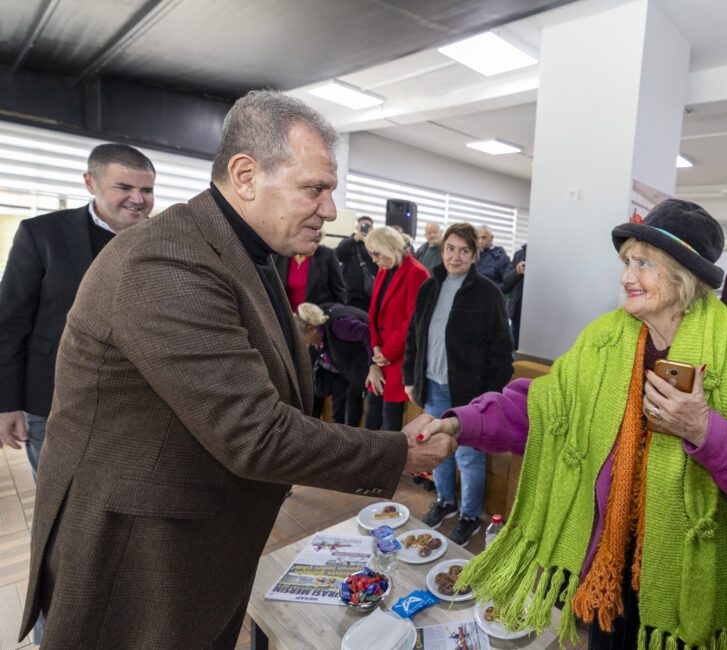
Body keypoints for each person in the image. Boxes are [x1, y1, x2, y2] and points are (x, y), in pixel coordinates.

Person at [19, 90, 455, 649]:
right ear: (245, 175)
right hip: (139, 556)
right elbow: (255, 433)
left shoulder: (242, 248)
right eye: (315, 189)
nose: (329, 210)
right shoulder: (167, 259)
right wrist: (400, 452)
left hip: (201, 539)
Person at [413, 199, 727, 648]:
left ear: (685, 276)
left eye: (643, 263)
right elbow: (546, 406)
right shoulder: (605, 336)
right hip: (604, 559)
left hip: (688, 574)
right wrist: (460, 423)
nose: (626, 276)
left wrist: (706, 432)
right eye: (627, 261)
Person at [0, 143, 155, 479]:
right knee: (60, 508)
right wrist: (6, 403)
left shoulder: (163, 241)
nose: (138, 199)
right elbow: (10, 325)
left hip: (136, 406)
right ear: (90, 183)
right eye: (124, 187)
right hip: (52, 403)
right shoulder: (41, 234)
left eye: (147, 189)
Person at [403, 222, 513, 546]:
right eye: (450, 248)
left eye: (464, 250)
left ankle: (468, 515)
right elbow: (414, 335)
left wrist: (490, 395)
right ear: (443, 250)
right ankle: (446, 502)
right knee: (434, 448)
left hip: (469, 393)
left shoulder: (488, 293)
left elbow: (501, 351)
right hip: (433, 384)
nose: (455, 256)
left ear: (475, 255)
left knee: (468, 457)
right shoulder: (429, 287)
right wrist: (410, 376)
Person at [365, 225, 429, 431]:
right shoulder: (384, 269)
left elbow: (413, 322)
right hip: (380, 357)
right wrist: (376, 351)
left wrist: (387, 353)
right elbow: (373, 313)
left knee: (391, 424)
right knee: (371, 419)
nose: (374, 259)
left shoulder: (417, 273)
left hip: (399, 358)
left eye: (376, 254)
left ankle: (388, 464)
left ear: (390, 248)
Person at [298, 302, 372, 426]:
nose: (307, 344)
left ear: (311, 328)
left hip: (367, 361)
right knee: (339, 391)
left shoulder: (339, 325)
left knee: (352, 395)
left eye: (305, 339)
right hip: (347, 366)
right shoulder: (322, 328)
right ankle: (339, 431)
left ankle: (352, 435)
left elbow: (368, 333)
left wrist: (373, 364)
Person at [276, 228, 347, 313]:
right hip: (286, 313)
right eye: (311, 241)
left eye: (317, 241)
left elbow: (339, 289)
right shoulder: (282, 254)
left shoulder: (327, 254)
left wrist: (340, 313)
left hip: (316, 315)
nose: (315, 246)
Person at [335, 215, 377, 311]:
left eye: (368, 226)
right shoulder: (349, 242)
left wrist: (369, 242)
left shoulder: (375, 244)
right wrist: (354, 239)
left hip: (370, 292)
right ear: (357, 227)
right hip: (351, 293)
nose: (365, 228)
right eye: (362, 225)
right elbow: (338, 255)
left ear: (372, 229)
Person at [501, 242, 526, 349]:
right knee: (514, 347)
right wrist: (517, 272)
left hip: (537, 310)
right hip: (517, 310)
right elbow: (506, 282)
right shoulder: (519, 254)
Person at [474, 224, 510, 291]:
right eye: (477, 238)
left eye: (484, 238)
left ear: (491, 238)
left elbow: (507, 283)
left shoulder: (502, 258)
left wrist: (490, 290)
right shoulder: (471, 255)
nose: (480, 241)